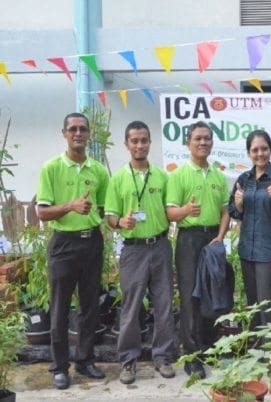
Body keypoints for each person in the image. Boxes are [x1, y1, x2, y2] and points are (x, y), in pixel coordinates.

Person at [36, 112, 109, 390]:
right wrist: (70, 206)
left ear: (89, 135)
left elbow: (103, 209)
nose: (78, 134)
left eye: (83, 129)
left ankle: (85, 360)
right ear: (64, 133)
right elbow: (42, 212)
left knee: (90, 306)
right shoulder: (51, 168)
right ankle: (60, 367)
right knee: (60, 308)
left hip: (92, 242)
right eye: (73, 129)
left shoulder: (98, 170)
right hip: (64, 244)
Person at [104, 121, 175, 384]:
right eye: (134, 141)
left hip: (160, 246)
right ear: (126, 144)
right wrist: (120, 222)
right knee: (131, 308)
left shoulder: (162, 177)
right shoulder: (118, 179)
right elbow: (110, 216)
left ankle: (163, 357)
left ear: (149, 143)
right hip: (133, 251)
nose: (139, 145)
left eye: (144, 140)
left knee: (164, 304)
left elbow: (171, 209)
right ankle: (128, 361)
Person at [166, 121, 230, 379]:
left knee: (213, 295)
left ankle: (210, 348)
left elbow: (226, 212)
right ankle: (191, 356)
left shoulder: (218, 175)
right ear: (188, 143)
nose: (203, 143)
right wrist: (186, 211)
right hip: (189, 240)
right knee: (191, 297)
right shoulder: (179, 175)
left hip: (212, 240)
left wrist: (220, 236)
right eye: (198, 139)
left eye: (207, 139)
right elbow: (170, 213)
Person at [228, 130, 271, 328]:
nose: (260, 154)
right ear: (249, 153)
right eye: (255, 150)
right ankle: (256, 349)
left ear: (270, 150)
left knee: (267, 302)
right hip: (246, 251)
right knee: (253, 303)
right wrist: (239, 204)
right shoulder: (244, 179)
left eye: (264, 149)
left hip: (268, 251)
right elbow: (234, 211)